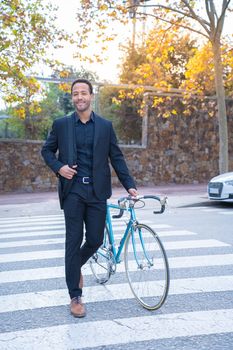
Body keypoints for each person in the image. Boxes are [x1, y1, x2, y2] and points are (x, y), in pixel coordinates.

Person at [41, 78, 138, 318]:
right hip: (73, 192)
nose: (79, 97)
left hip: (97, 192)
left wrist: (130, 186)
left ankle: (74, 267)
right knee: (73, 242)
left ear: (91, 96)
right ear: (72, 98)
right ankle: (75, 295)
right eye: (75, 94)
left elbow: (116, 157)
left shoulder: (105, 126)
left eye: (84, 93)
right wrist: (59, 167)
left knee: (94, 240)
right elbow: (46, 150)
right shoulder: (62, 125)